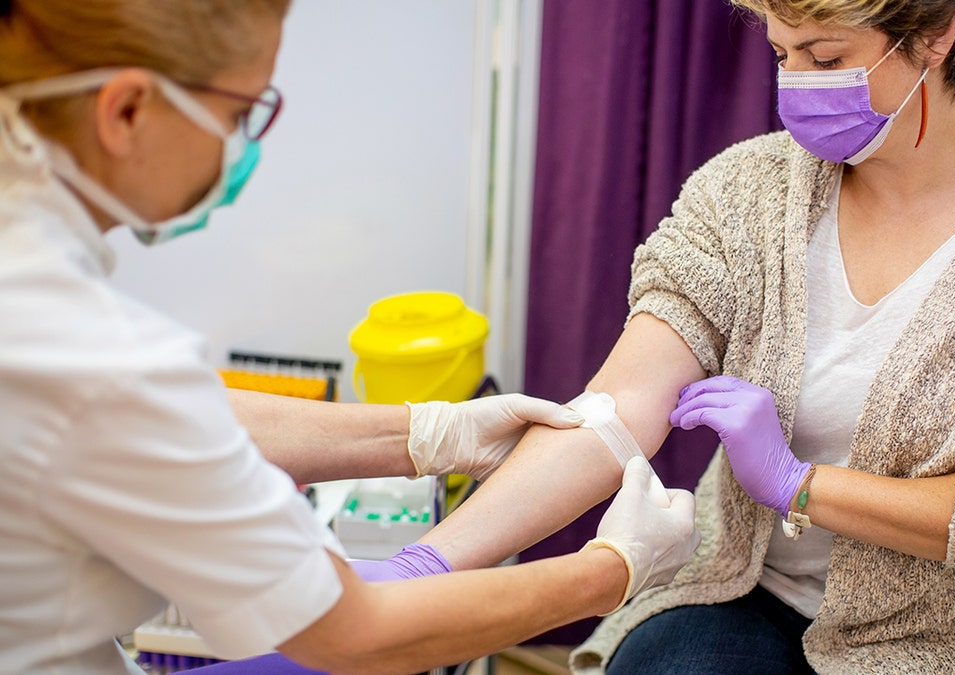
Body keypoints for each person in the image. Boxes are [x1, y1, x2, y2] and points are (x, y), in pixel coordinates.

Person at [407, 0, 955, 672]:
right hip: (743, 587)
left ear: (935, 32)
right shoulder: (749, 189)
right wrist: (426, 569)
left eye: (825, 59)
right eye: (781, 55)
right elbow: (615, 406)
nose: (796, 85)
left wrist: (803, 485)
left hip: (952, 634)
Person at [0, 1, 700, 673]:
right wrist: (611, 569)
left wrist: (427, 433)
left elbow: (161, 415)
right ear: (125, 110)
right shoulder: (88, 351)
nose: (246, 146)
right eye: (241, 113)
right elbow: (358, 637)